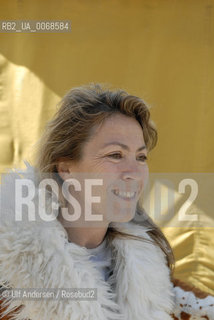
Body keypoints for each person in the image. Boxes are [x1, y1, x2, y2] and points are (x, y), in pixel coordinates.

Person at [0, 84, 213, 320]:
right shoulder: (10, 281)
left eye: (141, 157)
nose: (134, 172)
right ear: (65, 169)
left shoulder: (152, 280)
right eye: (115, 155)